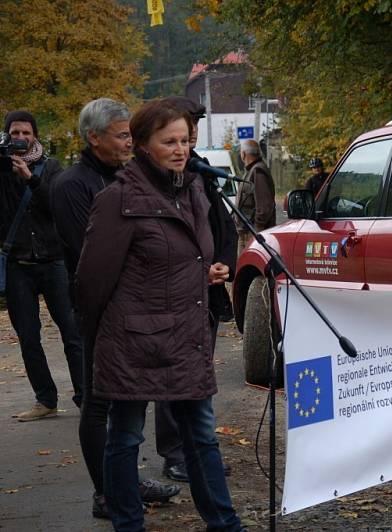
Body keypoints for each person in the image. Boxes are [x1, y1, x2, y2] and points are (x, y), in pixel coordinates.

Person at [75, 100, 243, 531]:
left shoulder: (194, 191)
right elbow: (92, 280)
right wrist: (100, 341)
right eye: (169, 141)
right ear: (143, 145)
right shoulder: (118, 199)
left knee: (202, 437)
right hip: (134, 341)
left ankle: (224, 524)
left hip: (186, 337)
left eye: (185, 140)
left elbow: (177, 258)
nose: (180, 149)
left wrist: (207, 270)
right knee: (126, 437)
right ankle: (128, 524)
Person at [50, 98, 180, 519]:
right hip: (97, 307)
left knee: (130, 398)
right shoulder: (73, 185)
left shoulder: (125, 176)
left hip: (134, 306)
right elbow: (87, 253)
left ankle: (125, 480)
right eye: (123, 135)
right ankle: (105, 492)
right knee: (99, 400)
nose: (131, 142)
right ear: (94, 137)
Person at [159, 95, 238, 481]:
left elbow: (224, 227)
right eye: (185, 126)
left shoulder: (202, 173)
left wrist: (225, 263)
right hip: (171, 299)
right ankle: (174, 452)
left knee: (200, 373)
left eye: (194, 127)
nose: (190, 134)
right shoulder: (155, 180)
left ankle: (200, 449)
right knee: (172, 376)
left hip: (206, 293)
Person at [0, 111, 83, 422]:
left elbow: (57, 205)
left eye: (26, 133)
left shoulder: (52, 167)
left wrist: (30, 178)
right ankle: (45, 399)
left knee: (72, 333)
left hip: (54, 261)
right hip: (19, 264)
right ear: (7, 135)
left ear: (35, 135)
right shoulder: (1, 166)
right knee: (29, 337)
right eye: (15, 133)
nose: (20, 138)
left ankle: (84, 397)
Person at [236, 139, 276, 256]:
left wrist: (257, 231)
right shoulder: (252, 170)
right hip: (247, 231)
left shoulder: (258, 171)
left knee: (249, 269)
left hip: (253, 233)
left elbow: (264, 207)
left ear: (243, 154)